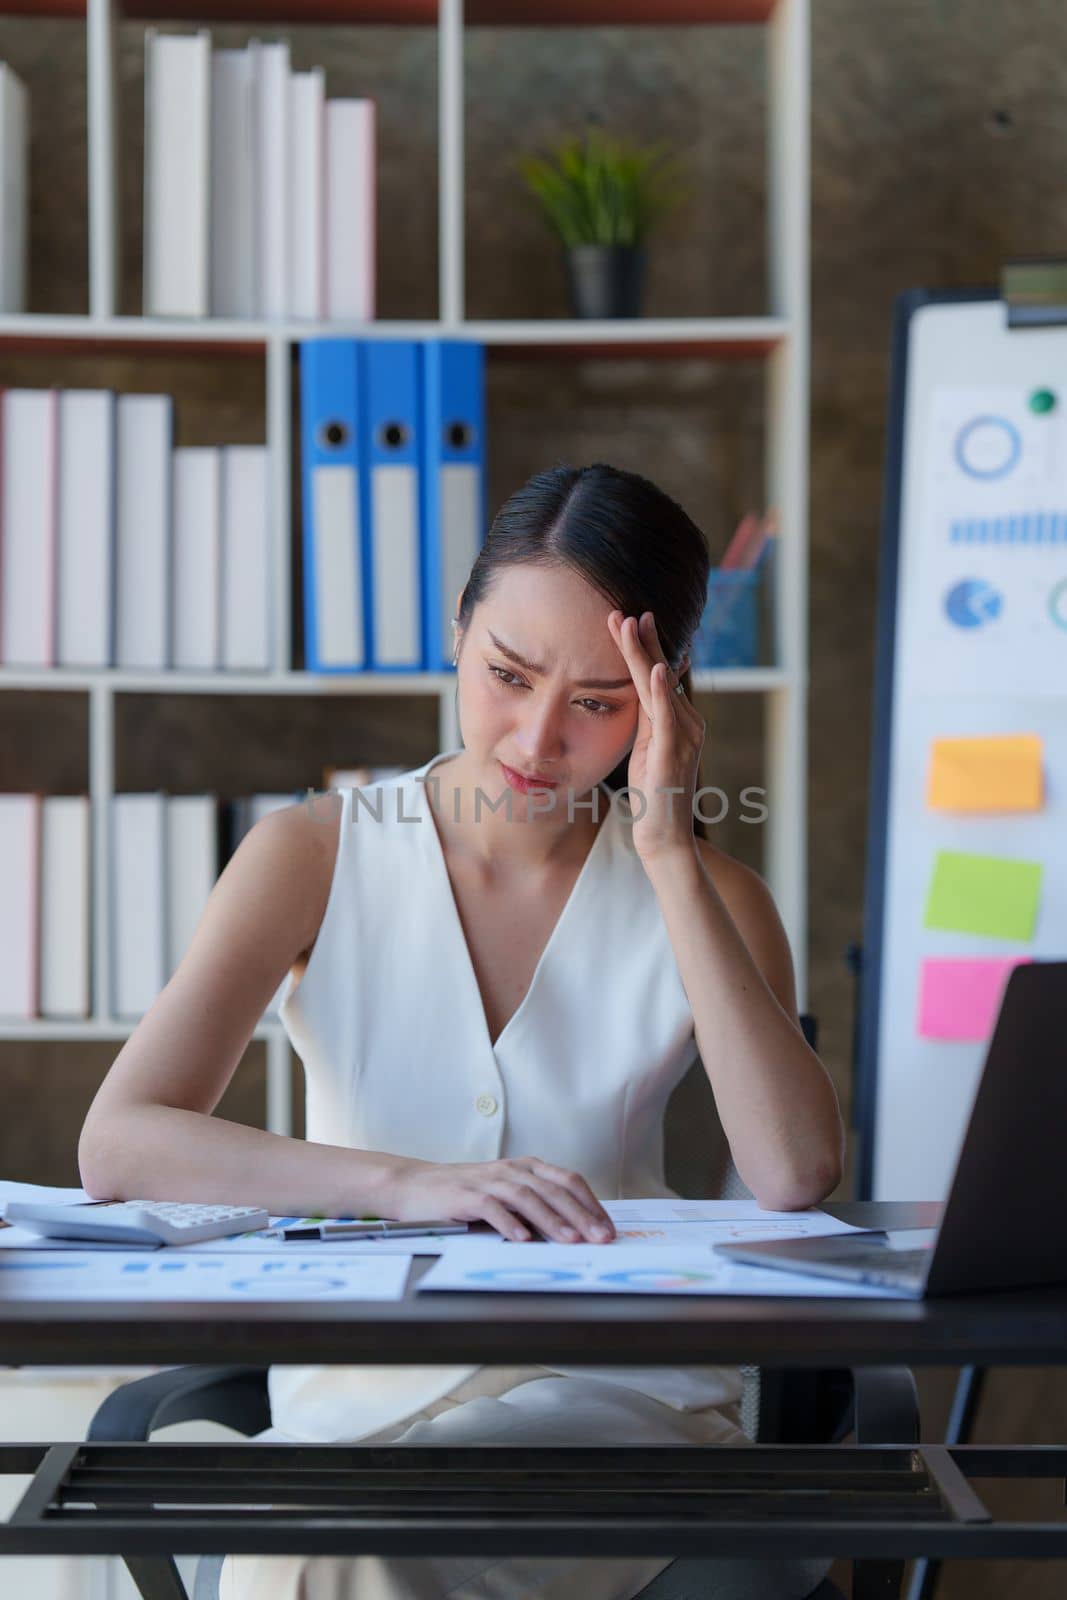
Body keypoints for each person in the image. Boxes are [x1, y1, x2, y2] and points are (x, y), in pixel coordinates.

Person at [79, 462, 844, 1600]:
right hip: (357, 1397)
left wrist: (669, 848)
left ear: (666, 700)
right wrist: (404, 1181)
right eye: (507, 674)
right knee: (319, 1542)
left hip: (617, 1396)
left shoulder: (710, 895)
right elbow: (120, 1142)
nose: (535, 737)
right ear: (456, 633)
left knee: (317, 1558)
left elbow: (792, 1173)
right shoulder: (313, 853)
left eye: (597, 700)